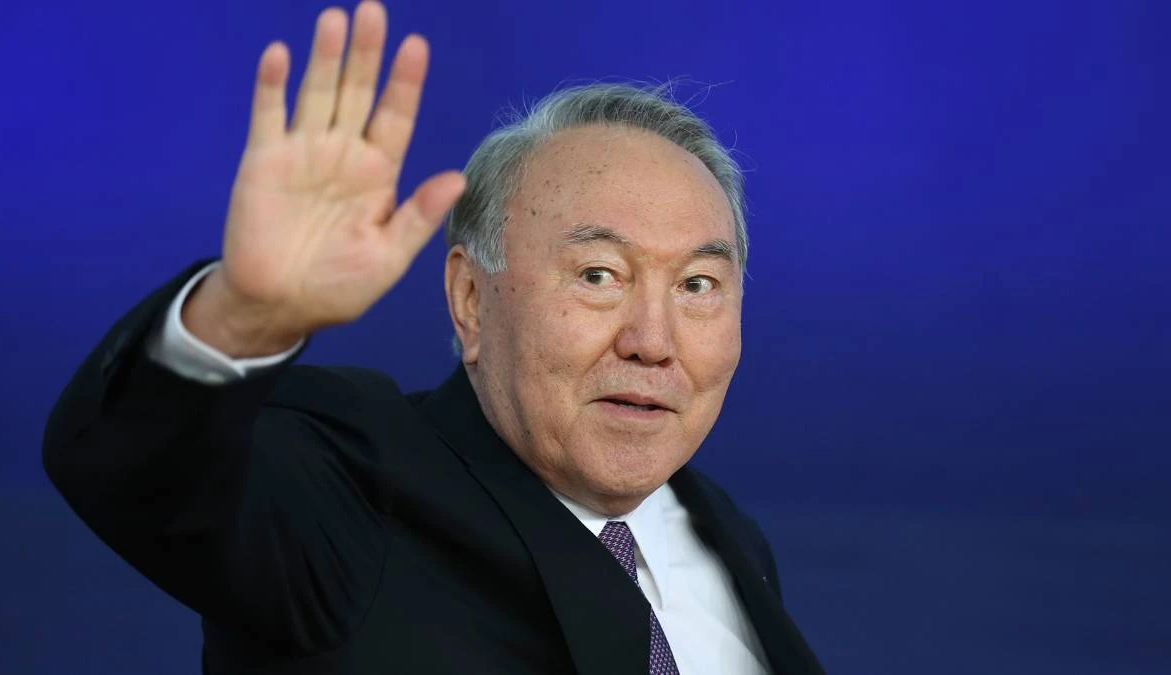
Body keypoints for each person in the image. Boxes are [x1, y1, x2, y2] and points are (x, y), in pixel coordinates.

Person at [43, 2, 824, 673]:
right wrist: (244, 317)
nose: (653, 341)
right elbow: (147, 472)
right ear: (470, 300)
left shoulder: (725, 534)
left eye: (697, 284)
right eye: (598, 275)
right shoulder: (348, 489)